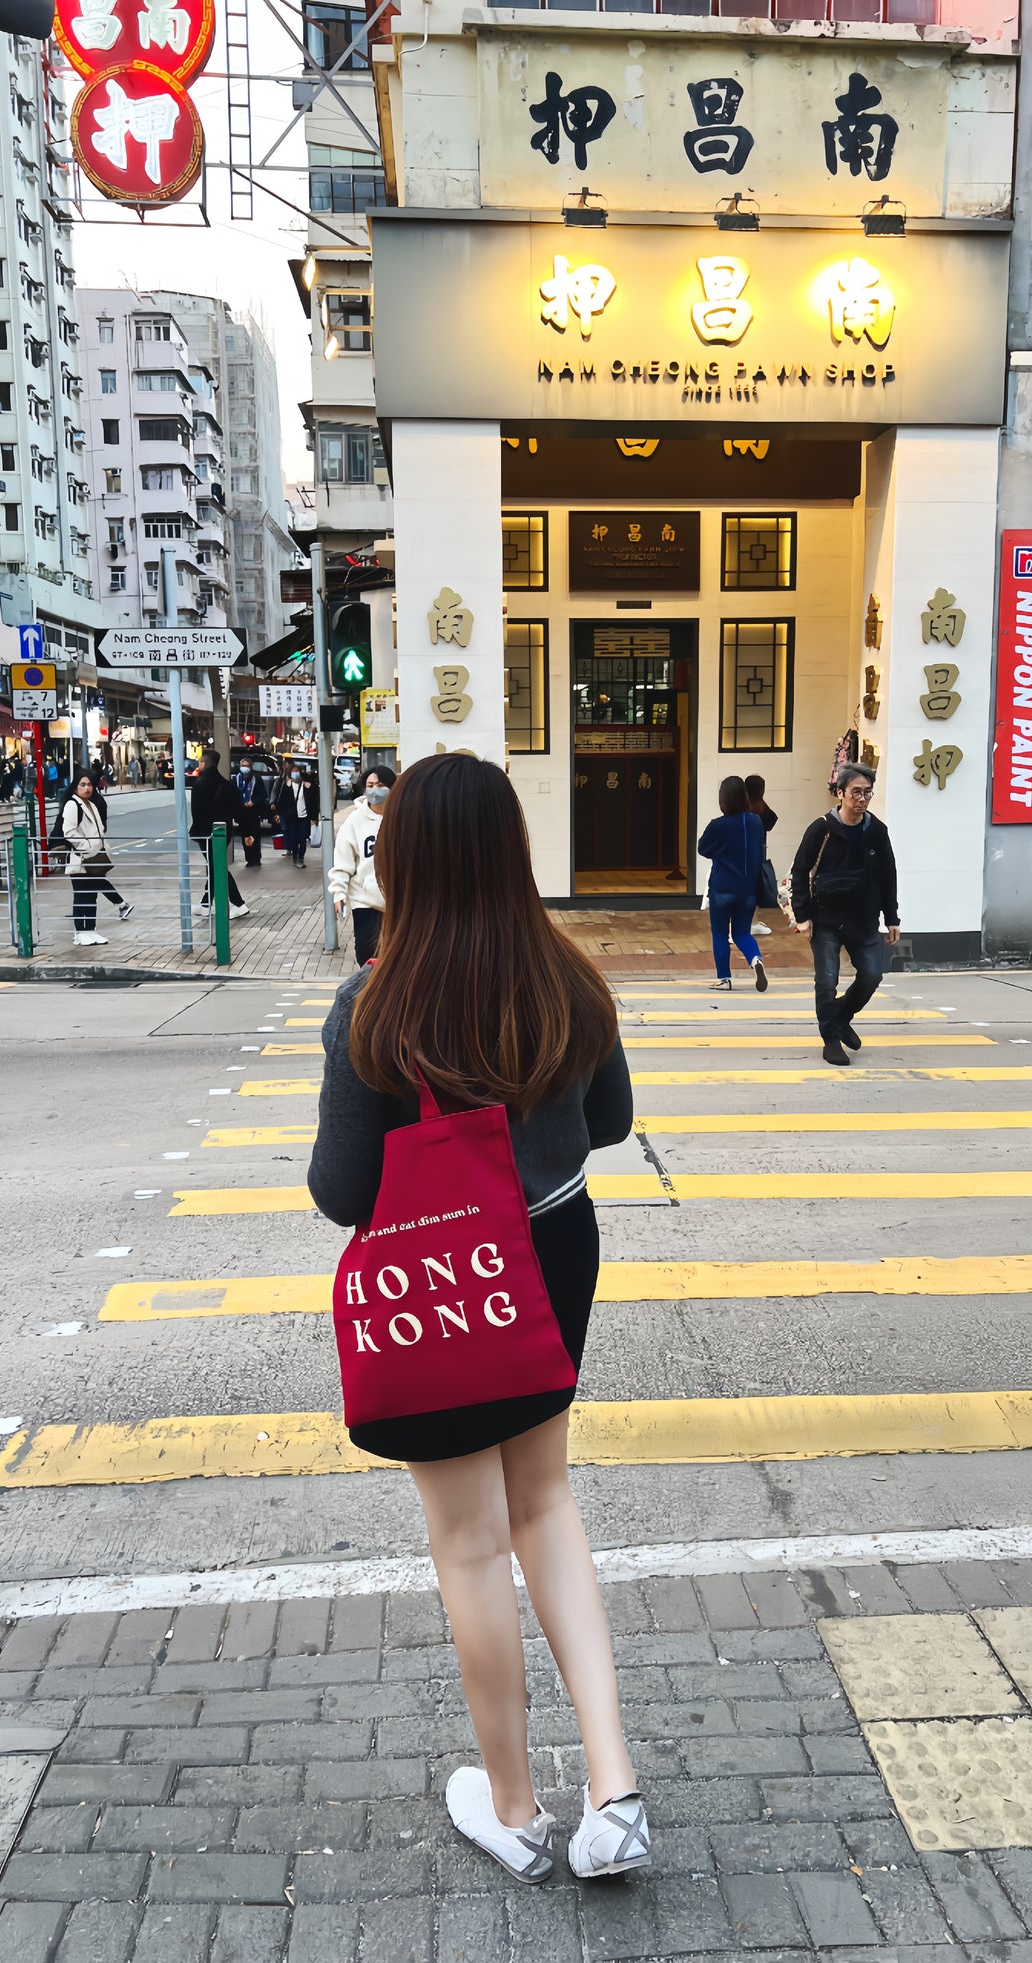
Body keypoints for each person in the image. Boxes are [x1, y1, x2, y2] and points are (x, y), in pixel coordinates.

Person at [307, 752, 648, 1887]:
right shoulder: (566, 975)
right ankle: (614, 1790)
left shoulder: (376, 1003)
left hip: (445, 1270)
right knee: (546, 1503)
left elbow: (343, 1194)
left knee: (468, 1542)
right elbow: (608, 1122)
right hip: (553, 1247)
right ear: (510, 849)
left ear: (399, 859)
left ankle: (512, 1805)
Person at [789, 763, 900, 1067]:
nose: (862, 799)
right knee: (827, 981)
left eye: (867, 792)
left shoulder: (876, 830)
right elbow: (799, 871)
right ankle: (831, 1039)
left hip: (864, 920)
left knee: (872, 975)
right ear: (840, 793)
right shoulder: (821, 828)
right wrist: (803, 915)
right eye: (855, 792)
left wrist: (892, 917)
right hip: (825, 919)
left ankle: (840, 1017)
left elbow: (888, 875)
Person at [697, 776, 768, 992]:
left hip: (722, 887)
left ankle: (724, 978)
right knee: (742, 933)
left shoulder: (718, 825)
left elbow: (703, 849)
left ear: (724, 799)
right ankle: (755, 959)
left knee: (720, 933)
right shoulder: (755, 822)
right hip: (748, 889)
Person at [329, 765, 394, 964]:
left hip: (399, 901)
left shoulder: (404, 817)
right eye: (370, 785)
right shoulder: (355, 821)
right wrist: (339, 893)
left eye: (381, 785)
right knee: (367, 956)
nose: (375, 790)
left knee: (397, 957)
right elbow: (342, 862)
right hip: (365, 900)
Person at [59, 771, 132, 946]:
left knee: (91, 897)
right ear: (75, 786)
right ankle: (80, 932)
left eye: (89, 785)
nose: (87, 788)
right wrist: (88, 847)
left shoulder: (90, 804)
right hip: (81, 859)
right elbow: (68, 832)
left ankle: (90, 930)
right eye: (82, 785)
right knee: (81, 897)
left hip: (93, 859)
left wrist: (101, 849)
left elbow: (100, 831)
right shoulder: (72, 805)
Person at [189, 748, 250, 917]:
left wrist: (197, 833)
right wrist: (247, 832)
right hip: (224, 832)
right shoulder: (227, 785)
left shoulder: (199, 785)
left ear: (204, 764)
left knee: (218, 868)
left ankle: (239, 904)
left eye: (200, 762)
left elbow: (197, 813)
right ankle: (206, 903)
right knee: (214, 866)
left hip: (206, 833)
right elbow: (239, 811)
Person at [744, 774, 778, 939]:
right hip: (758, 854)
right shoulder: (762, 808)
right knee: (754, 890)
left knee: (742, 890)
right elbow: (772, 822)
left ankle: (740, 924)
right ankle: (752, 922)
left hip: (741, 854)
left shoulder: (742, 807)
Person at [278, 765, 312, 867]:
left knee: (302, 838)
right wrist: (280, 815)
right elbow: (282, 802)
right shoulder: (287, 786)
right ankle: (295, 855)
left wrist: (314, 817)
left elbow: (313, 802)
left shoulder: (306, 786)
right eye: (293, 771)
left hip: (304, 817)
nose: (295, 773)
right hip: (291, 817)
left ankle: (301, 858)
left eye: (297, 771)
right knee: (293, 838)